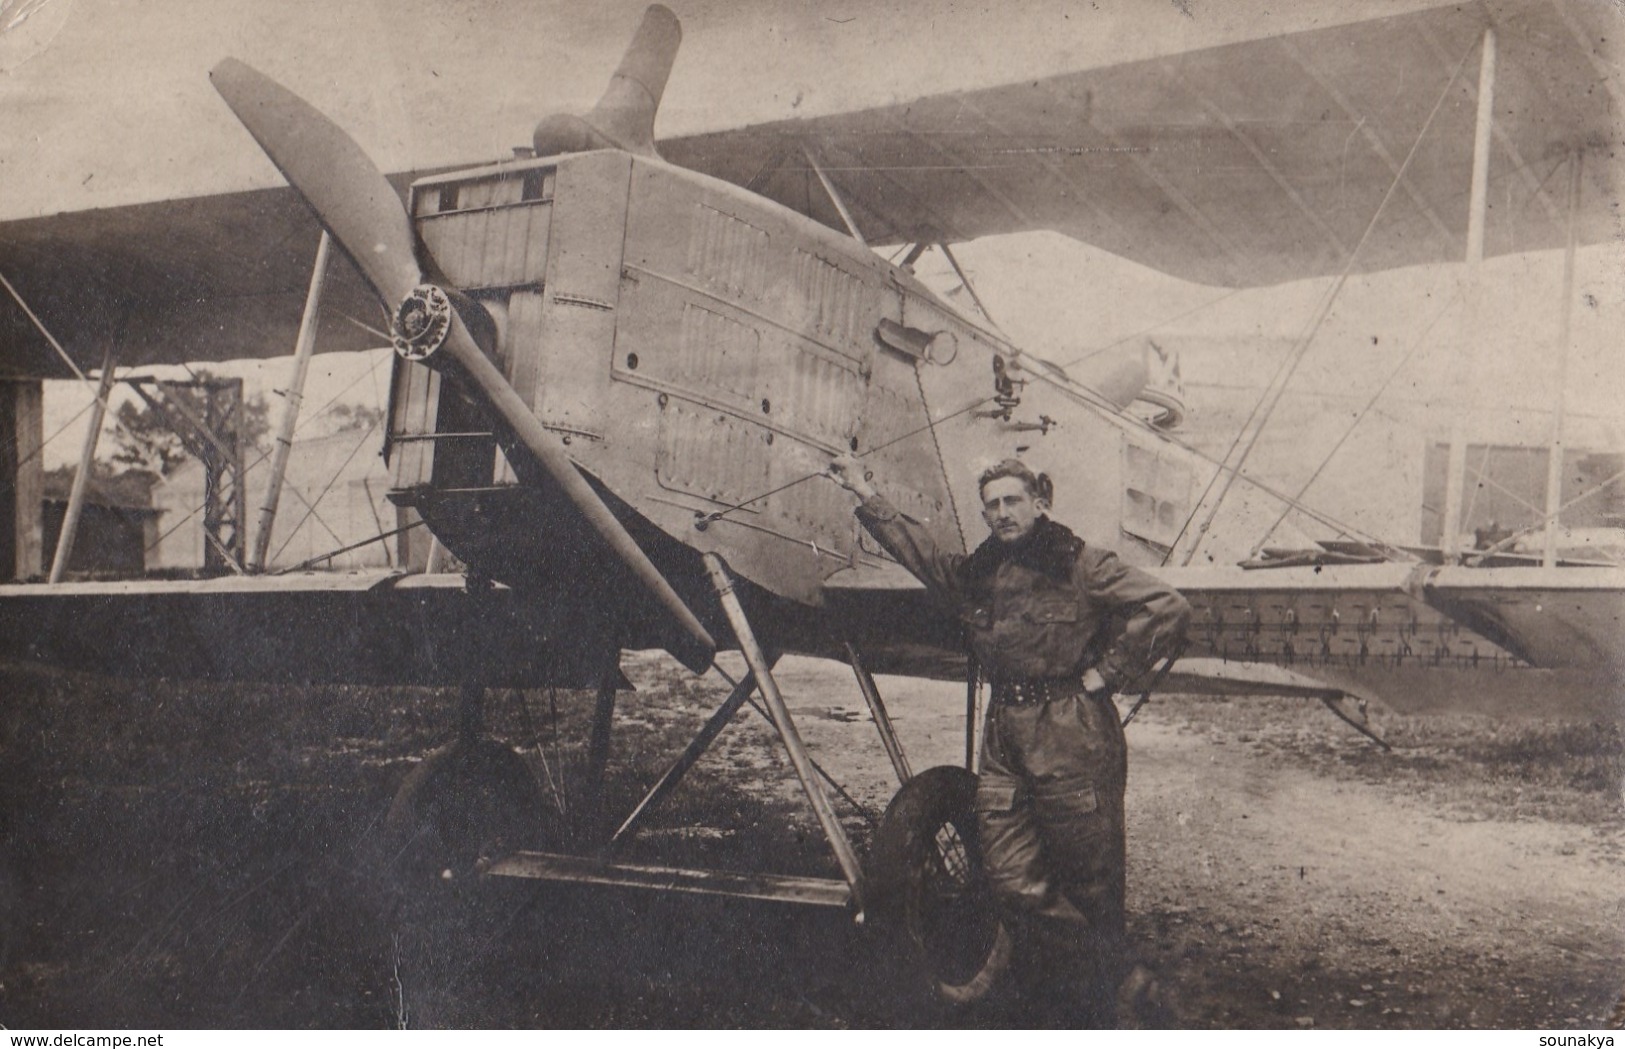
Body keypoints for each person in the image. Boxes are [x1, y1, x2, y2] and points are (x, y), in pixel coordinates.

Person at [827, 454, 1189, 1025]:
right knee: (1008, 875)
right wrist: (863, 489)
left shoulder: (1082, 563)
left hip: (1070, 728)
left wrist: (1111, 672)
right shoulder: (981, 572)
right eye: (991, 505)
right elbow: (919, 553)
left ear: (1040, 502)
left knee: (1089, 881)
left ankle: (1092, 1009)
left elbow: (1166, 606)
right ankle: (1113, 974)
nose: (1002, 513)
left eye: (1012, 500)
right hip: (1005, 732)